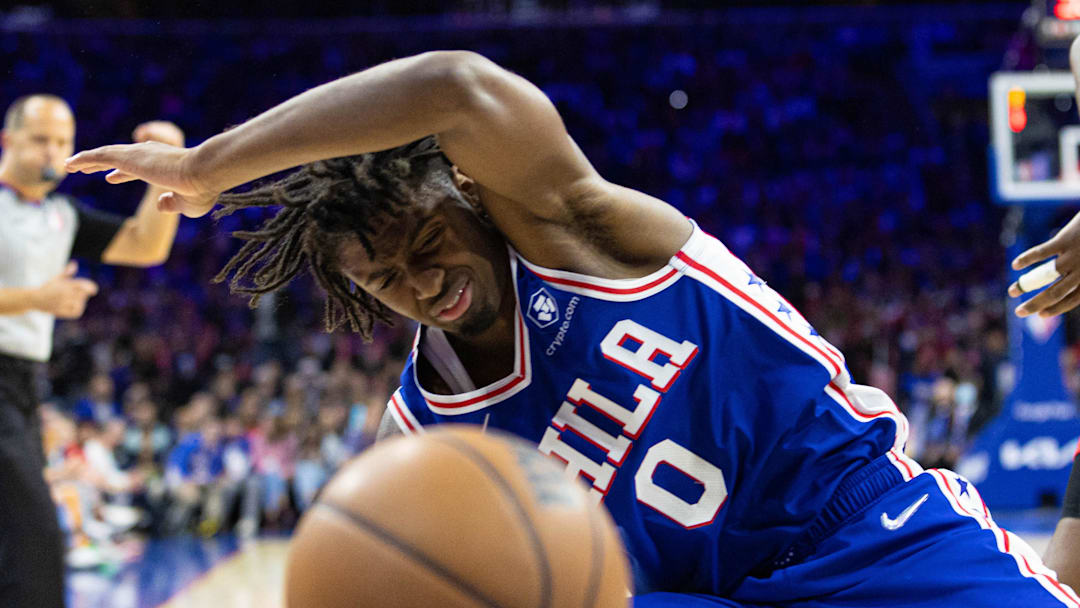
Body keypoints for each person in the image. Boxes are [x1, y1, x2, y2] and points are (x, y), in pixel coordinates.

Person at [67, 52, 1080, 606]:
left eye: (429, 243)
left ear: (471, 190)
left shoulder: (584, 233)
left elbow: (456, 87)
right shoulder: (422, 436)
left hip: (863, 531)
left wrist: (213, 168)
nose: (421, 281)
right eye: (385, 278)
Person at [0, 93, 182, 607]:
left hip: (20, 383)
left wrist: (166, 169)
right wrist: (38, 298)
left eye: (62, 142)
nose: (52, 151)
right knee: (31, 540)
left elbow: (146, 246)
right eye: (40, 139)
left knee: (17, 540)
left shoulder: (62, 215)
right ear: (7, 140)